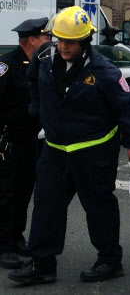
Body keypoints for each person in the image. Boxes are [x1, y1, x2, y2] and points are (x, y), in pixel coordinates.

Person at [8, 6, 130, 286]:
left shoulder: (104, 71)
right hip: (56, 149)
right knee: (46, 205)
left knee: (99, 206)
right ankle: (43, 263)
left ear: (84, 42)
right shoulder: (44, 60)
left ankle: (109, 259)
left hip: (93, 151)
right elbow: (33, 82)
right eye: (59, 40)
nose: (63, 46)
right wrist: (37, 110)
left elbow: (126, 106)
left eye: (69, 42)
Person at [0, 18, 50, 270]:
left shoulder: (39, 64)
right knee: (6, 194)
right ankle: (4, 247)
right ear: (32, 40)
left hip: (29, 140)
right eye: (45, 38)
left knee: (23, 192)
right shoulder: (7, 64)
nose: (49, 42)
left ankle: (16, 237)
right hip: (7, 142)